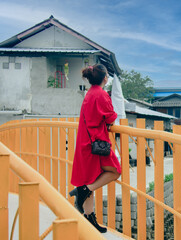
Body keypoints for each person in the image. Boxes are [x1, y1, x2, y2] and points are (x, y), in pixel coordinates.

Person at [69, 64, 121, 233]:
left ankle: (89, 219)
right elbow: (111, 117)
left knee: (89, 178)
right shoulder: (101, 94)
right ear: (105, 78)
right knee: (115, 171)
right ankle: (84, 191)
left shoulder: (90, 93)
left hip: (85, 142)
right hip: (96, 144)